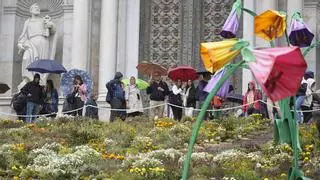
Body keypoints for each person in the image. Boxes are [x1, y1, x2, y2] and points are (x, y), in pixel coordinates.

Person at [17, 3, 57, 89]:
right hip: (31, 43)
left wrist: (51, 25)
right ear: (30, 10)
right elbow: (23, 35)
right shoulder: (27, 22)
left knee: (42, 64)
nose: (37, 8)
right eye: (35, 7)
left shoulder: (43, 20)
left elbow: (53, 31)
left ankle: (41, 80)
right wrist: (20, 44)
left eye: (38, 7)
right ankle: (29, 79)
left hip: (43, 43)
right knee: (26, 58)